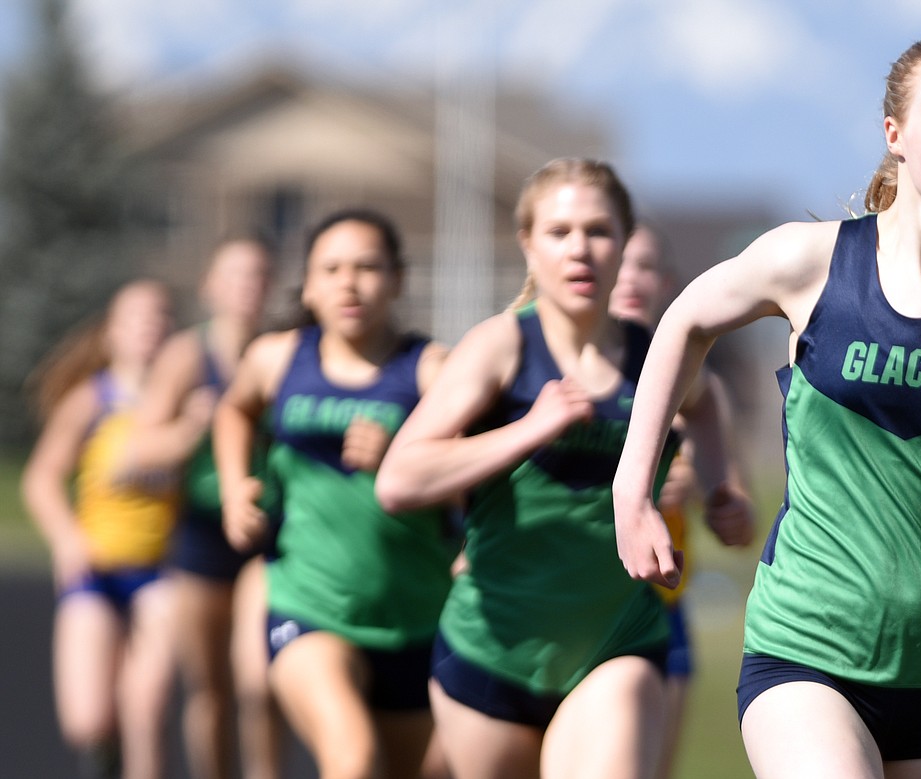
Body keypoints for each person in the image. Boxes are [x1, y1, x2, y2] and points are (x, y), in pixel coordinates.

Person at [613, 34, 921, 779]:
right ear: (896, 135)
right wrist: (632, 489)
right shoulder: (809, 259)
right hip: (808, 650)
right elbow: (683, 321)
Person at [375, 158, 753, 779]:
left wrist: (721, 488)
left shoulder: (654, 353)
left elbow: (706, 401)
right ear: (528, 244)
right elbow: (399, 480)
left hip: (616, 647)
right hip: (490, 657)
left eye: (599, 231)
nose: (580, 249)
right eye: (559, 232)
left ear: (625, 242)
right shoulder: (501, 346)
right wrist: (530, 429)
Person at [214, 208, 457, 779]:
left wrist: (404, 455)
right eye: (332, 269)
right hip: (309, 603)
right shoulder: (276, 358)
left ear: (397, 280)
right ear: (310, 284)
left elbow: (477, 474)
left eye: (368, 267)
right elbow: (234, 409)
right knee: (352, 759)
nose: (349, 283)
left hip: (415, 620)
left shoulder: (432, 370)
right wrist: (233, 487)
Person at [119, 236, 282, 779]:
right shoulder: (187, 355)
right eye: (235, 275)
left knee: (259, 684)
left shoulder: (283, 351)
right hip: (201, 537)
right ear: (211, 286)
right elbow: (141, 447)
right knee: (210, 690)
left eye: (258, 275)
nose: (247, 287)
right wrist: (192, 424)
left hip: (269, 536)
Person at [610, 224, 755, 779]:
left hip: (657, 614)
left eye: (645, 266)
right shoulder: (557, 373)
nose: (630, 278)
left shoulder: (696, 390)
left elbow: (741, 525)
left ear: (666, 282)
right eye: (620, 263)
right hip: (566, 606)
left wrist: (709, 495)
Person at [21, 279, 179, 779]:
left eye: (159, 317)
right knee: (89, 719)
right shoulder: (92, 401)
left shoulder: (185, 402)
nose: (148, 328)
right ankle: (102, 758)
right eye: (135, 318)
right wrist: (67, 538)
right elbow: (41, 479)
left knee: (145, 707)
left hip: (160, 571)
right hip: (96, 567)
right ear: (111, 334)